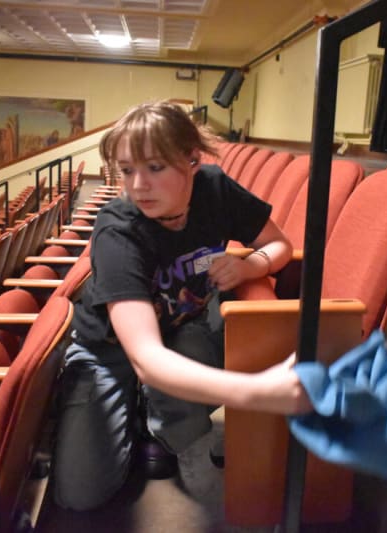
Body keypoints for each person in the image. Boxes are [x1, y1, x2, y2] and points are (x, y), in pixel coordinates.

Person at [52, 101, 311, 511]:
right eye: (127, 170)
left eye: (155, 167)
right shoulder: (118, 230)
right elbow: (146, 358)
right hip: (110, 349)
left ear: (191, 160)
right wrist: (259, 391)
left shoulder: (216, 190)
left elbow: (280, 245)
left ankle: (167, 422)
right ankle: (141, 410)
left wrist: (250, 267)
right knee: (81, 494)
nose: (138, 185)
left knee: (189, 354)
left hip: (180, 331)